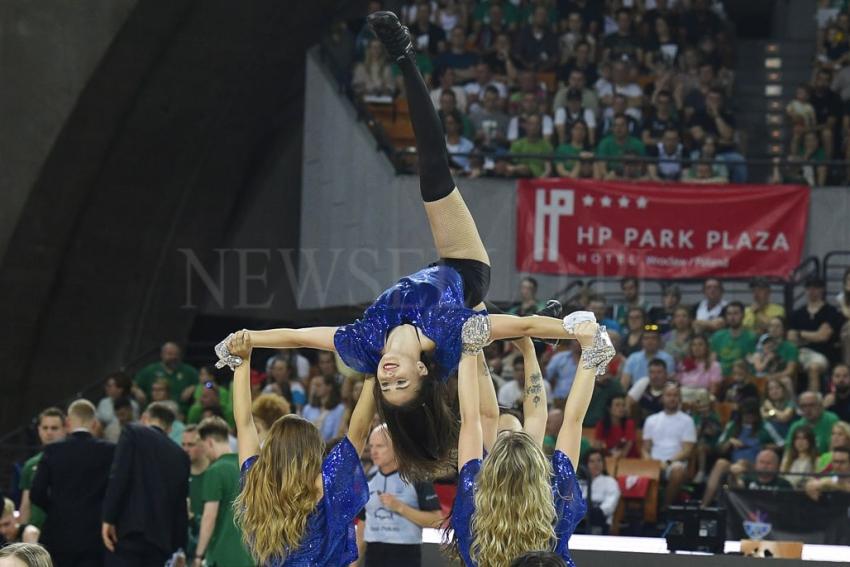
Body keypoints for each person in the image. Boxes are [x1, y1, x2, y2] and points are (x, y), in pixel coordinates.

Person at [216, 11, 601, 480]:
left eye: (387, 383)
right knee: (434, 177)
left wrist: (246, 340)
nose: (389, 374)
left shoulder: (363, 345)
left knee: (487, 319)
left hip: (442, 289)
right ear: (422, 374)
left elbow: (298, 335)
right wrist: (574, 331)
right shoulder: (448, 332)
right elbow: (520, 322)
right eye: (402, 381)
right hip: (463, 270)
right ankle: (404, 56)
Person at [450, 320, 607, 567]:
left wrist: (470, 351)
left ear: (490, 471)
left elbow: (471, 420)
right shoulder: (555, 501)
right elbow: (572, 421)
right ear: (538, 468)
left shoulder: (474, 500)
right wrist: (589, 348)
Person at [227, 330, 375, 566]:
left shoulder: (256, 481)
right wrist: (373, 371)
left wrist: (242, 362)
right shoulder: (322, 485)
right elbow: (359, 431)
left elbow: (244, 424)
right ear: (313, 451)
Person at [102, 402, 190, 567]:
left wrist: (108, 517)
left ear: (144, 418)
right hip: (160, 540)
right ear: (170, 428)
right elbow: (180, 506)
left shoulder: (133, 432)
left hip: (128, 531)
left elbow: (119, 476)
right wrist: (179, 548)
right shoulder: (181, 455)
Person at [30, 400, 115, 567]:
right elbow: (116, 490)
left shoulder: (52, 451)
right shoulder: (110, 451)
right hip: (94, 535)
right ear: (95, 423)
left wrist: (55, 507)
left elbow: (37, 493)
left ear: (68, 422)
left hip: (58, 533)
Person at [360, 425, 442, 567]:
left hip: (405, 555)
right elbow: (362, 525)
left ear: (397, 447)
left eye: (380, 446)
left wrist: (400, 507)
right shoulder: (368, 481)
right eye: (371, 446)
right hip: (373, 556)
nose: (373, 451)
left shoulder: (417, 478)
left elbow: (436, 520)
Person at [192, 417, 253, 567]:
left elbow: (209, 517)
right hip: (251, 556)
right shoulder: (249, 467)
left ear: (209, 442)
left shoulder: (215, 470)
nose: (204, 454)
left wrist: (198, 555)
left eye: (203, 447)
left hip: (222, 556)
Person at [700, 398, 783, 507]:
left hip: (756, 466)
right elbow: (719, 448)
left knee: (742, 464)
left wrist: (765, 446)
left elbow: (781, 444)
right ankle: (704, 506)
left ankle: (737, 508)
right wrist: (729, 442)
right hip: (734, 464)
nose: (748, 418)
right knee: (721, 463)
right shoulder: (732, 426)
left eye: (751, 415)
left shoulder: (765, 426)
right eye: (745, 415)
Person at [642, 384, 696, 511]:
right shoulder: (651, 420)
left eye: (675, 395)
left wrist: (668, 462)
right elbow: (645, 449)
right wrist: (651, 463)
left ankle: (664, 509)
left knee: (678, 471)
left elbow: (687, 450)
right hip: (654, 462)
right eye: (669, 395)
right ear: (662, 398)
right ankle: (645, 514)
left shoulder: (687, 421)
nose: (672, 398)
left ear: (680, 398)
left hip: (674, 463)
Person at [789, 276, 846, 392]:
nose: (812, 291)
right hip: (800, 352)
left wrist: (800, 334)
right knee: (790, 366)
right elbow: (791, 337)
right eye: (809, 288)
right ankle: (792, 403)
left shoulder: (831, 311)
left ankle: (813, 400)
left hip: (822, 354)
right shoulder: (797, 313)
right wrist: (813, 335)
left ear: (822, 290)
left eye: (815, 288)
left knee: (813, 367)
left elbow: (823, 336)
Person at [18, 408, 66, 531]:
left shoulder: (72, 462)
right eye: (45, 428)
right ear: (39, 430)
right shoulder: (30, 465)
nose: (49, 432)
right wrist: (22, 532)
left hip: (64, 529)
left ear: (65, 429)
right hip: (36, 532)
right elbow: (25, 504)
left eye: (54, 428)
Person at [133, 342, 198, 407]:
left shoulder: (189, 371)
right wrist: (137, 391)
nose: (173, 357)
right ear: (162, 355)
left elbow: (208, 385)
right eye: (170, 354)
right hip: (153, 410)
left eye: (176, 354)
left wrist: (194, 387)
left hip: (181, 411)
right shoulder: (150, 370)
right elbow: (131, 385)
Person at [181, 425, 209, 561]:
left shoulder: (214, 474)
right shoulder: (179, 473)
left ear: (203, 445)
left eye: (191, 445)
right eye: (183, 444)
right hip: (183, 549)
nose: (186, 449)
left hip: (208, 550)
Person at [710, 302, 758, 378]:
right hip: (721, 379)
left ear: (743, 315)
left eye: (736, 313)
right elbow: (712, 361)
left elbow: (752, 362)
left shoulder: (751, 337)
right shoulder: (718, 336)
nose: (732, 317)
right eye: (729, 314)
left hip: (742, 378)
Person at [580, 449, 620, 533]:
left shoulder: (610, 481)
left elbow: (610, 504)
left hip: (600, 522)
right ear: (586, 464)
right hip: (580, 521)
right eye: (592, 461)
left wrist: (596, 511)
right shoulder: (580, 483)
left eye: (599, 460)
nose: (596, 464)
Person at [626, 358, 673, 427]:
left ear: (666, 374)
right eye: (652, 372)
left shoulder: (671, 388)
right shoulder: (644, 382)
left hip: (665, 427)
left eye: (659, 372)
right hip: (643, 428)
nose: (655, 376)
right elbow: (628, 402)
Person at [677, 335, 722, 402]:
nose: (697, 348)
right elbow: (678, 384)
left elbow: (713, 390)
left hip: (703, 397)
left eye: (700, 344)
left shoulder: (714, 366)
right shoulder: (684, 363)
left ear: (706, 347)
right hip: (684, 396)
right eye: (694, 345)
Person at [302, 375, 346, 442]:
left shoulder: (339, 409)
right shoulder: (307, 408)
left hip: (330, 448)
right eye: (314, 386)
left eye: (319, 385)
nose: (315, 388)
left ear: (329, 387)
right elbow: (303, 432)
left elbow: (336, 434)